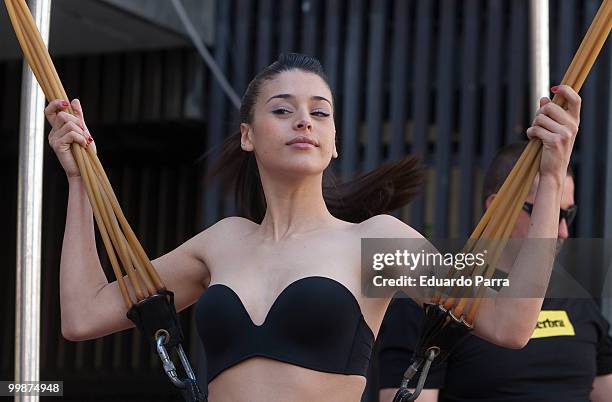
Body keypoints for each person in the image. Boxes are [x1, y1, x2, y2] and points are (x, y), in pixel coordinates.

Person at [45, 53, 581, 402]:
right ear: (248, 135)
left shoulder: (375, 240)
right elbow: (83, 314)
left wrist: (553, 176)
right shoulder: (221, 241)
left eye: (320, 112)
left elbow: (510, 322)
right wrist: (78, 184)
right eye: (283, 109)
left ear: (334, 142)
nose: (304, 120)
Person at [377, 142, 612, 402]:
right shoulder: (438, 294)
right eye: (549, 210)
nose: (562, 230)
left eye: (568, 214)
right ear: (500, 206)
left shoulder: (576, 296)